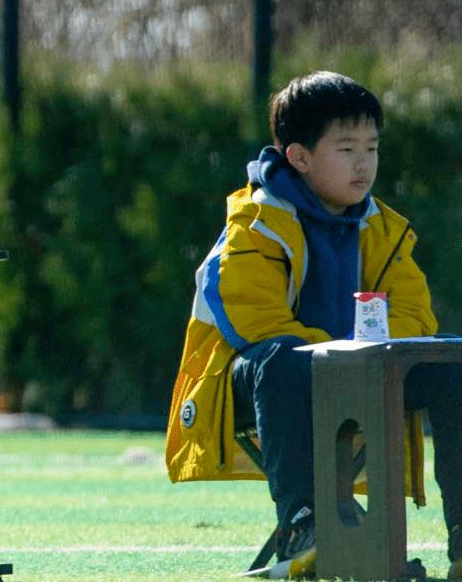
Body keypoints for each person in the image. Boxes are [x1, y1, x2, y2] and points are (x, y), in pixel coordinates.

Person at [164, 72, 462, 578]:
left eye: (372, 146)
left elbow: (415, 315)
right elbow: (257, 324)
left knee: (452, 364)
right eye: (346, 148)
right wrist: (347, 354)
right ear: (299, 157)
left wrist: (364, 356)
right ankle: (306, 524)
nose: (364, 162)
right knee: (282, 358)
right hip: (255, 381)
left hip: (365, 368)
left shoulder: (383, 228)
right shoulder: (254, 223)